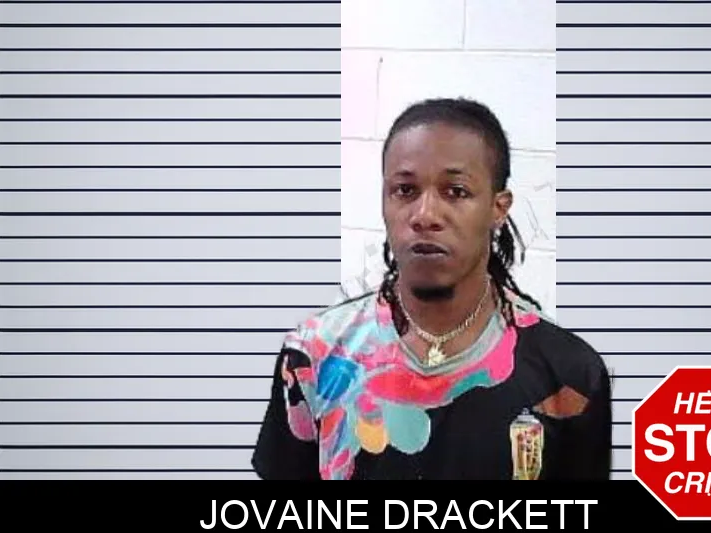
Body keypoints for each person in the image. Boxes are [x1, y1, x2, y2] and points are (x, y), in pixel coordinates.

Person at [251, 98, 613, 480]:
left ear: (498, 208)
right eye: (405, 190)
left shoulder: (569, 374)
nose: (424, 215)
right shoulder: (315, 355)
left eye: (455, 191)